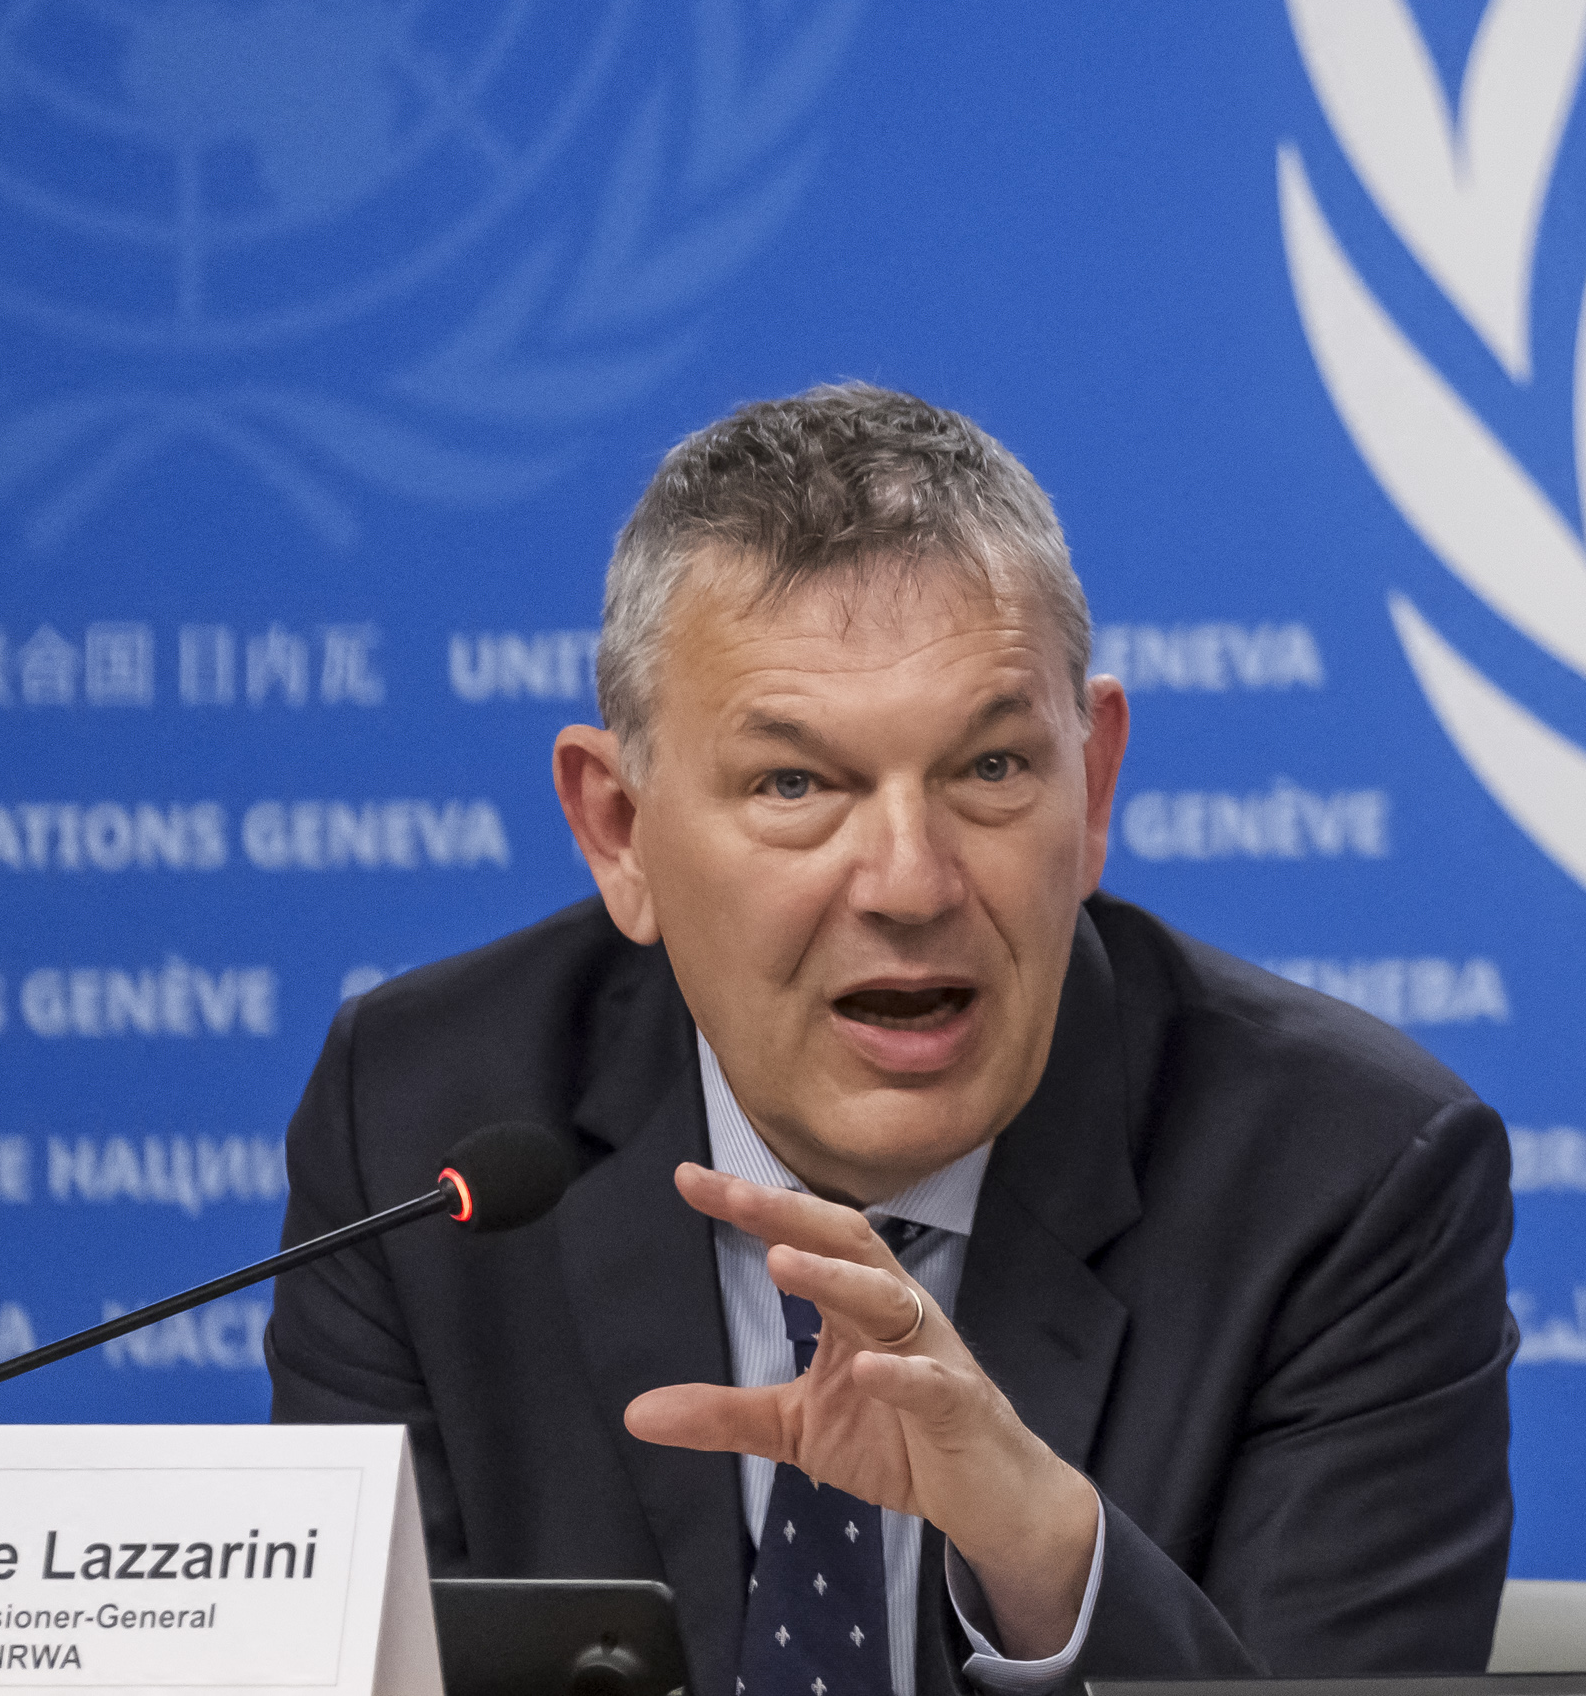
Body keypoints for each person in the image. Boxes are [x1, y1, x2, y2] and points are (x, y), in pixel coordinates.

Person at [269, 385, 1515, 1689]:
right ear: (620, 831)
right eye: (795, 783)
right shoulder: (422, 1132)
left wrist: (1044, 1549)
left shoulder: (1347, 1178)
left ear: (1092, 785)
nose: (911, 884)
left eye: (991, 769)